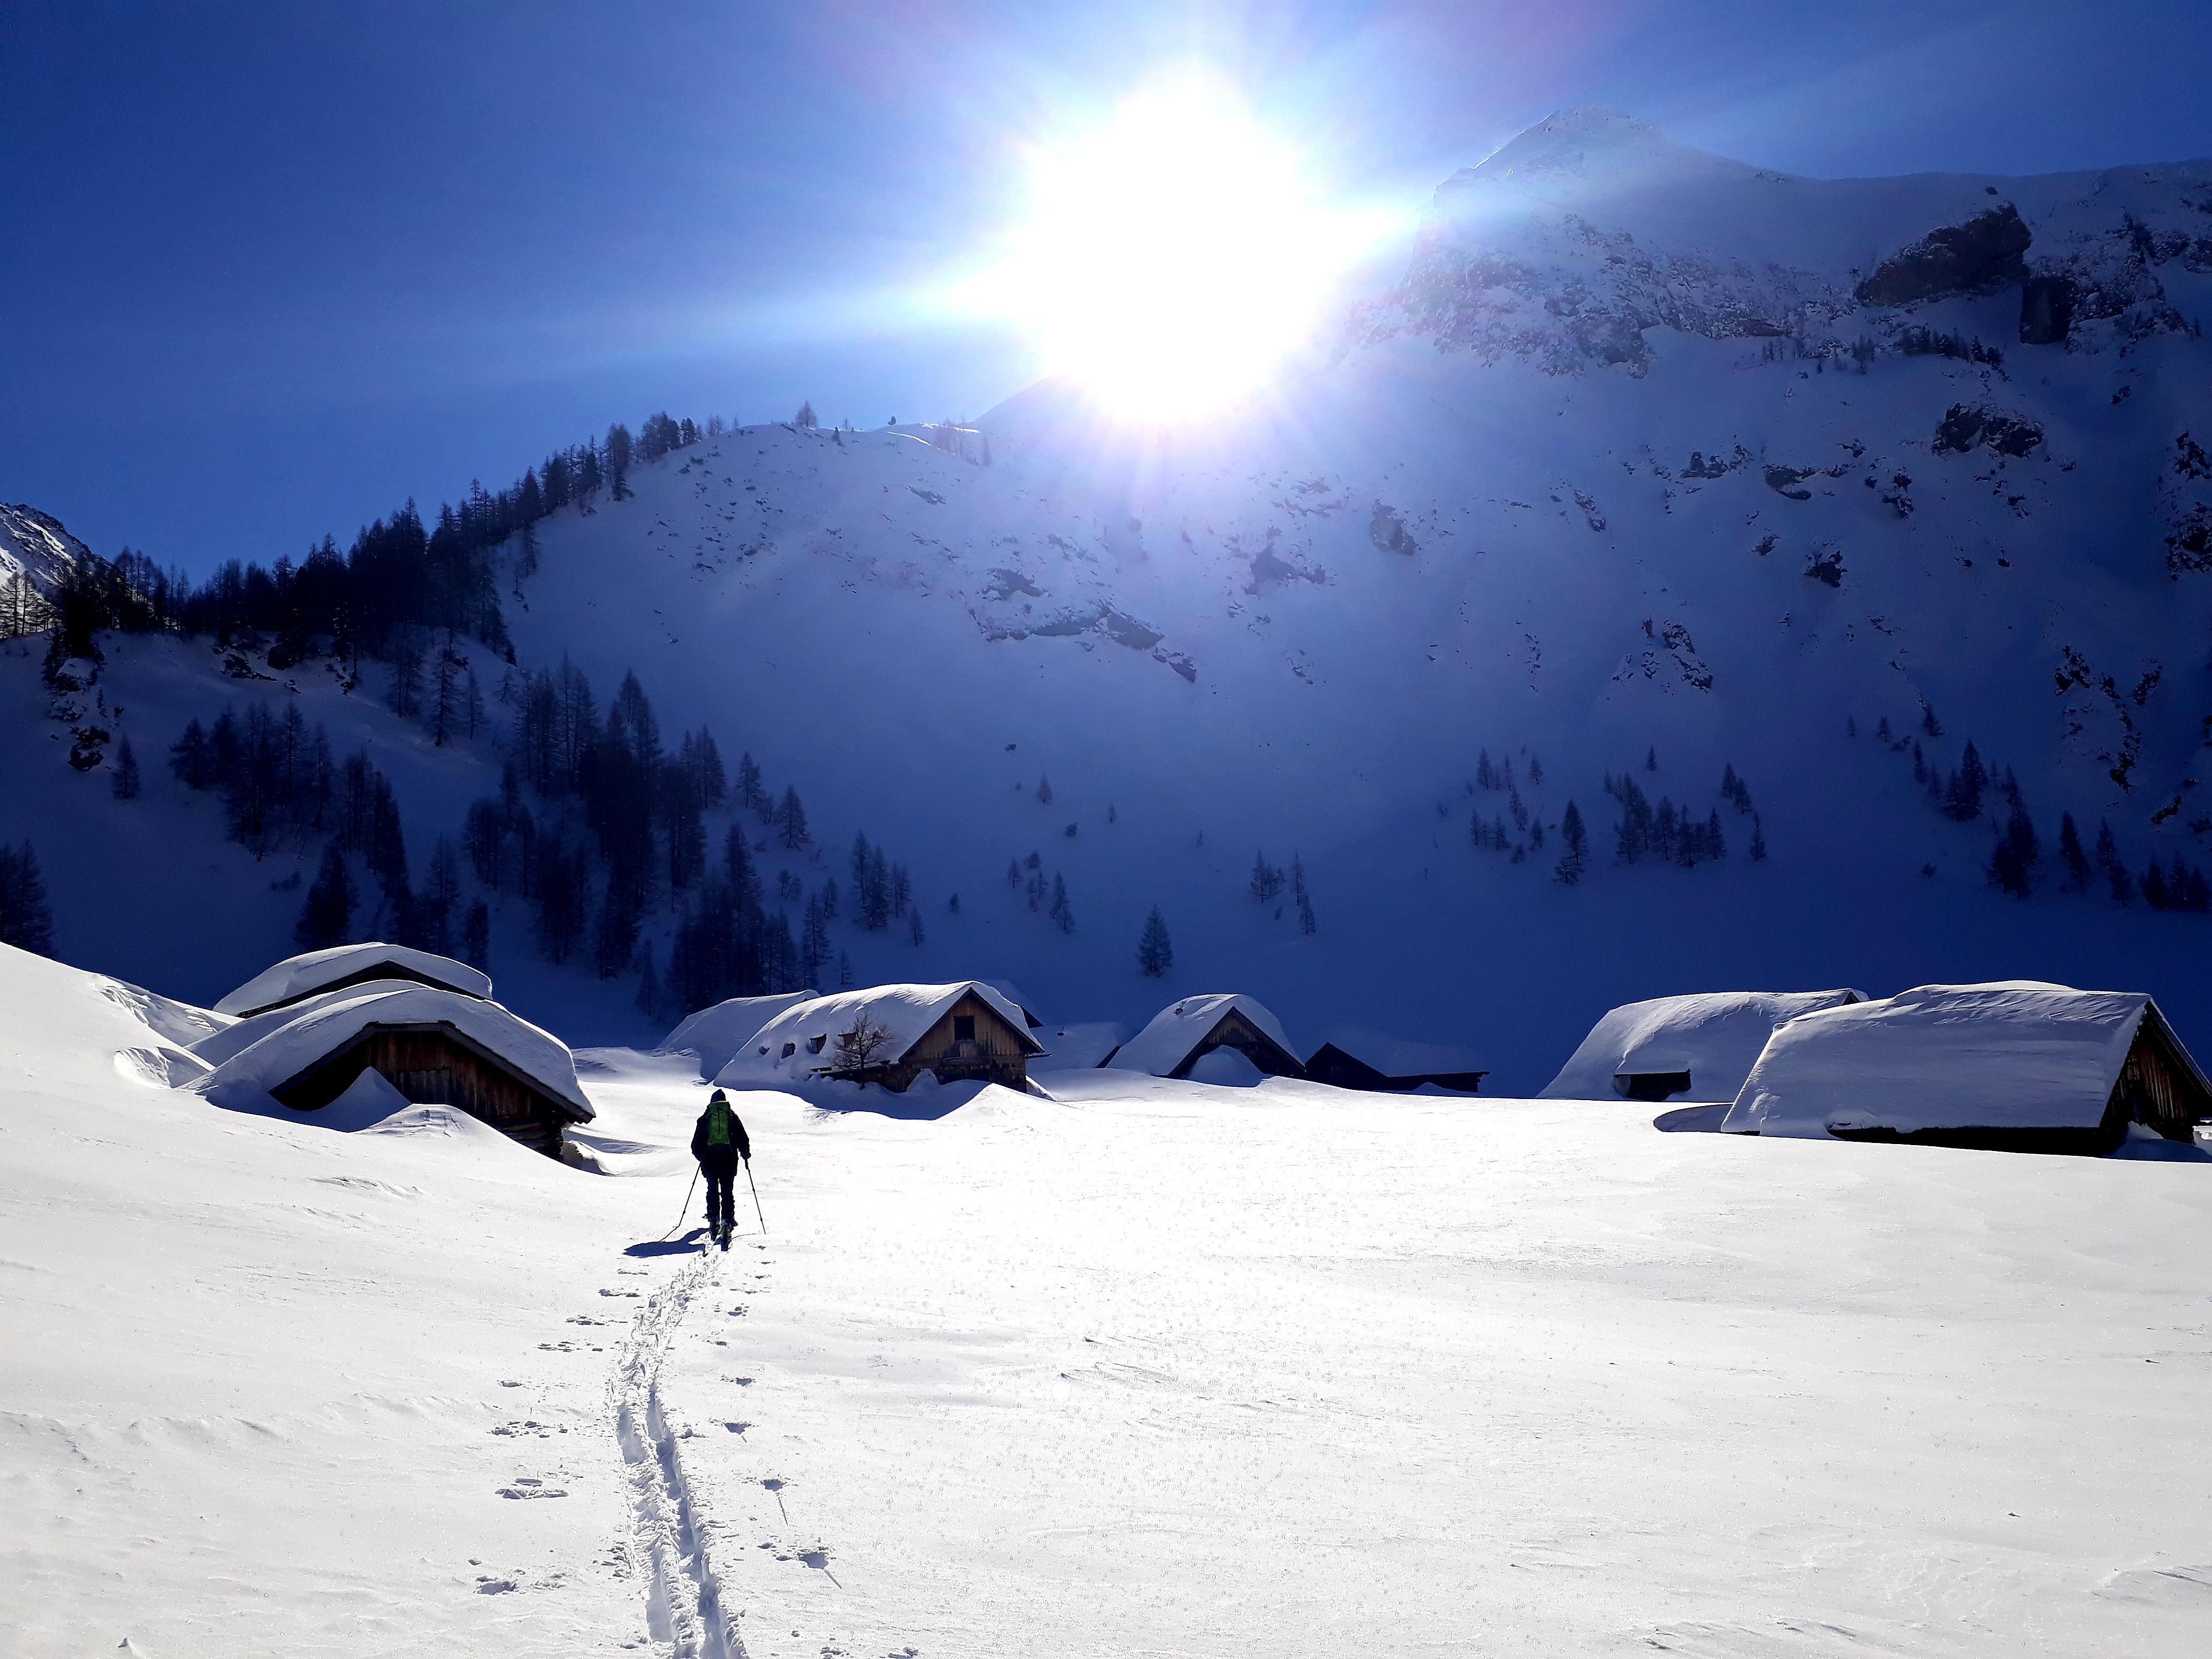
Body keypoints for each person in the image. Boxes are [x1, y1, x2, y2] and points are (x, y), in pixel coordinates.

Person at [689, 1088, 752, 1249]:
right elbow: (743, 1139)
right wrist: (745, 1155)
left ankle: (714, 1219)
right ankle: (727, 1221)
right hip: (729, 1160)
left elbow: (695, 1145)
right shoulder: (732, 1117)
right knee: (727, 1191)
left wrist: (702, 1157)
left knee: (712, 1189)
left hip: (710, 1160)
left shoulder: (705, 1119)